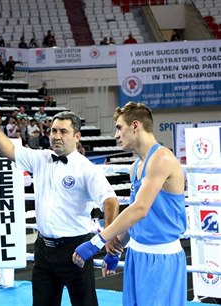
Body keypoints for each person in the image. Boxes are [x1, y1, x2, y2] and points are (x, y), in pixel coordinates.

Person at [0, 102, 119, 306]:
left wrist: (108, 238)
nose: (56, 136)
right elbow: (6, 146)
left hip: (76, 249)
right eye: (53, 131)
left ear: (77, 136)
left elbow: (110, 200)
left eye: (63, 131)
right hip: (44, 250)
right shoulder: (40, 158)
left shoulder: (86, 169)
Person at [73, 102, 187, 306]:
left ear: (135, 125)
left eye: (119, 127)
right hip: (136, 254)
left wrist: (96, 242)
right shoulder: (136, 167)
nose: (116, 135)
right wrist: (116, 247)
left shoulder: (162, 158)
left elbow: (140, 209)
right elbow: (134, 218)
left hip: (161, 258)